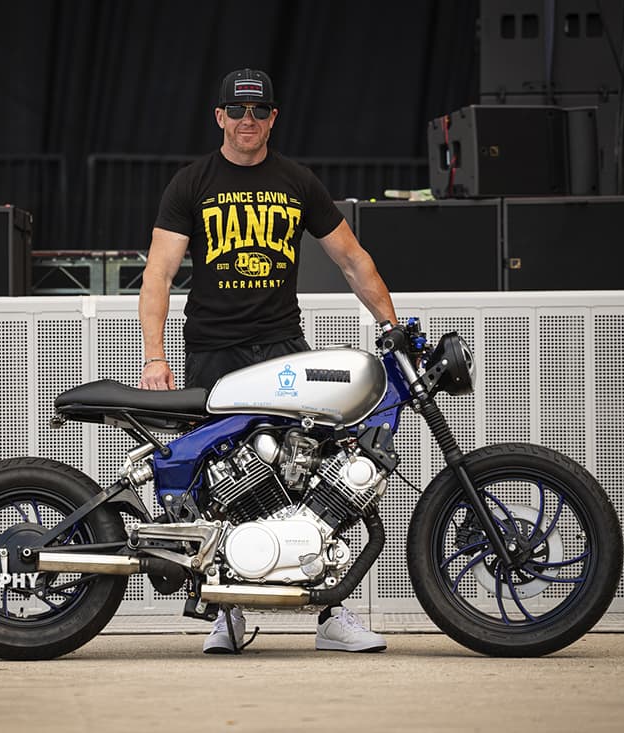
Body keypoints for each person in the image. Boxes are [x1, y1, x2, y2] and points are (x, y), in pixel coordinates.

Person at [137, 68, 398, 654]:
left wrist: (392, 325)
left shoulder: (297, 182)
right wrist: (154, 356)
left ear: (273, 118)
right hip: (214, 349)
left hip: (281, 348)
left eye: (259, 112)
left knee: (311, 480)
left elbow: (353, 260)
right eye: (238, 111)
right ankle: (225, 615)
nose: (248, 121)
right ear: (220, 116)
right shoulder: (191, 184)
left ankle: (330, 613)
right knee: (220, 484)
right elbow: (158, 273)